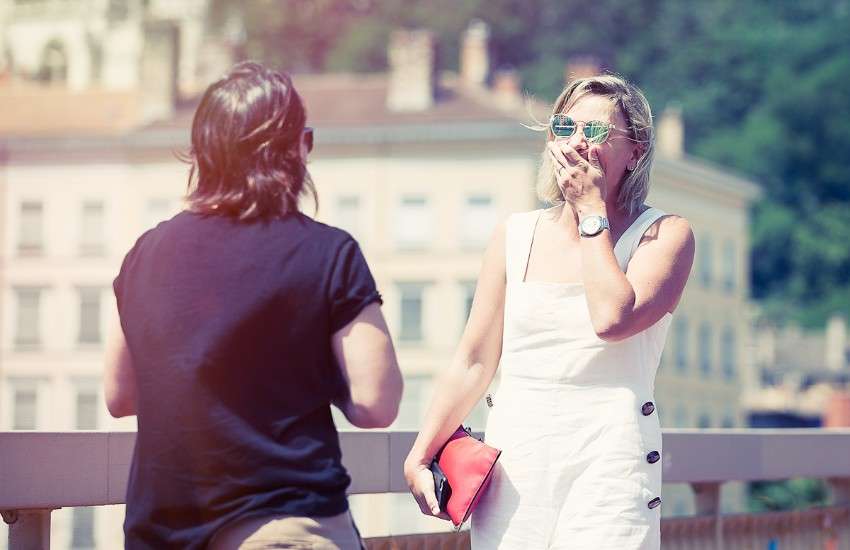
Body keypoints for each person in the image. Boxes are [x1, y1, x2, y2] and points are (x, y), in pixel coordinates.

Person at [104, 61, 403, 550]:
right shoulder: (328, 253)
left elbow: (120, 397)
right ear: (295, 150)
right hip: (284, 527)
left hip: (161, 534)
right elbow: (376, 403)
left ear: (203, 154)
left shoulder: (144, 255)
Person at [404, 74, 695, 549]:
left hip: (612, 465)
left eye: (596, 132)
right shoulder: (515, 234)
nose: (576, 142)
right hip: (517, 466)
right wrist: (421, 453)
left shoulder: (664, 235)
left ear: (636, 151)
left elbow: (612, 319)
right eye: (564, 128)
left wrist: (591, 212)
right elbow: (474, 361)